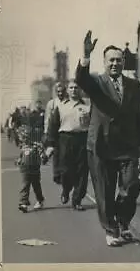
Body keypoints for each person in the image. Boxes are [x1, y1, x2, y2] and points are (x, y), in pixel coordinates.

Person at [75, 30, 140, 247]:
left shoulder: (134, 85)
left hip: (128, 146)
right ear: (104, 62)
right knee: (104, 192)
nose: (115, 64)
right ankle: (111, 228)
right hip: (101, 145)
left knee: (132, 185)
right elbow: (81, 79)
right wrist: (85, 55)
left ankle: (123, 221)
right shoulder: (96, 82)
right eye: (111, 60)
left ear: (124, 61)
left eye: (118, 60)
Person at [46, 80, 90, 211]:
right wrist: (50, 144)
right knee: (66, 170)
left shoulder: (87, 106)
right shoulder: (61, 106)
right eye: (71, 88)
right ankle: (66, 190)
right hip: (65, 140)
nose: (74, 90)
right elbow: (53, 126)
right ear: (68, 90)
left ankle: (77, 200)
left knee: (82, 172)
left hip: (82, 139)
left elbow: (93, 125)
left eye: (76, 88)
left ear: (80, 90)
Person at [15, 123, 49, 213]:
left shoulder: (36, 145)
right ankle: (23, 203)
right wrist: (18, 161)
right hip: (25, 170)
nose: (23, 140)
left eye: (24, 137)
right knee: (25, 186)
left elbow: (42, 153)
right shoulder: (22, 147)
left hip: (35, 170)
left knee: (36, 186)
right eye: (22, 138)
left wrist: (43, 157)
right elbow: (21, 155)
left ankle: (40, 199)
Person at [44, 83, 69, 184]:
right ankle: (56, 174)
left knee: (65, 153)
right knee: (56, 153)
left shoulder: (68, 101)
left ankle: (64, 173)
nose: (60, 93)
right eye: (58, 91)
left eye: (62, 91)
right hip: (54, 131)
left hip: (64, 130)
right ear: (56, 92)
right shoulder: (52, 103)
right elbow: (47, 118)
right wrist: (46, 132)